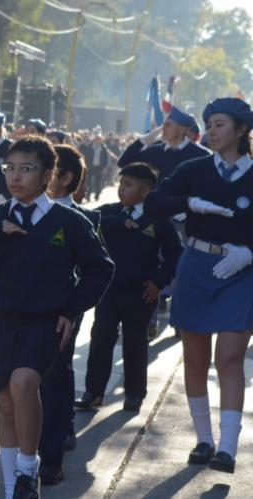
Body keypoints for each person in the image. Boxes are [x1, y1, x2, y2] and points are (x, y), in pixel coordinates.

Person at [0, 136, 113, 498]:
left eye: (26, 169)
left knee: (25, 382)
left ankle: (29, 471)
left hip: (45, 322)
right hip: (2, 322)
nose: (15, 176)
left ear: (48, 175)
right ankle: (12, 485)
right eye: (9, 168)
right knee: (6, 404)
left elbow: (100, 269)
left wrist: (70, 309)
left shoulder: (69, 221)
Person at [144, 98, 253, 474]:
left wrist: (250, 253)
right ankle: (204, 440)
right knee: (194, 359)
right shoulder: (193, 169)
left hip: (240, 272)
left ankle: (227, 448)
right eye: (208, 125)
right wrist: (190, 203)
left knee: (228, 357)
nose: (211, 131)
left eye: (219, 125)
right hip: (196, 265)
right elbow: (154, 204)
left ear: (241, 130)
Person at [76, 163, 181, 415]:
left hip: (141, 292)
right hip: (108, 290)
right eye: (121, 184)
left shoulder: (158, 220)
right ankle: (94, 391)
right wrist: (118, 223)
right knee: (101, 338)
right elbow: (87, 221)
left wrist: (159, 281)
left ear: (146, 191)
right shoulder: (109, 212)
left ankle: (135, 393)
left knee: (135, 342)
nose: (121, 189)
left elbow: (174, 254)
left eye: (128, 185)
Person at [38, 144, 102, 484]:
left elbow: (96, 270)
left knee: (55, 374)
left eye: (45, 169)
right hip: (24, 311)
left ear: (64, 178)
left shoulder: (83, 219)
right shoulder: (22, 211)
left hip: (63, 311)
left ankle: (56, 441)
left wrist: (71, 309)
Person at [118, 107, 211, 184]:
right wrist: (142, 141)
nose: (163, 128)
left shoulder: (200, 155)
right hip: (155, 205)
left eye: (168, 125)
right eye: (164, 124)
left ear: (182, 130)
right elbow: (124, 162)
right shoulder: (154, 151)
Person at [83, 134, 112, 201]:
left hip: (99, 167)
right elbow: (85, 157)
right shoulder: (89, 147)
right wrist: (85, 165)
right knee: (89, 181)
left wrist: (105, 168)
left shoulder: (104, 148)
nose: (98, 141)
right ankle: (88, 195)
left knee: (98, 181)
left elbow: (106, 159)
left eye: (100, 139)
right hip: (90, 166)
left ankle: (97, 195)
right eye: (97, 139)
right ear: (94, 140)